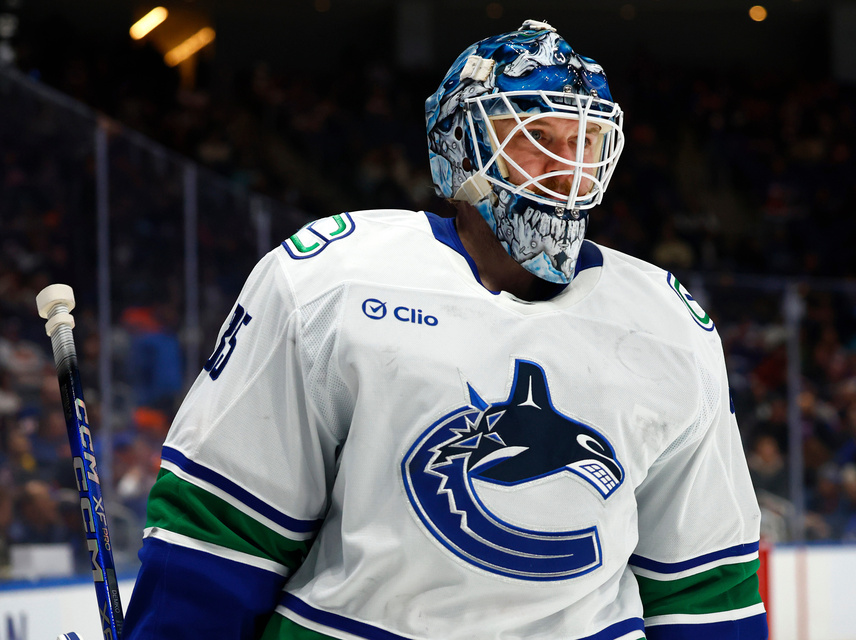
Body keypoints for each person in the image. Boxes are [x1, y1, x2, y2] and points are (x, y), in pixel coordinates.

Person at [123, 20, 766, 640]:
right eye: (537, 135)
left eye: (585, 142)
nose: (566, 166)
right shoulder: (333, 280)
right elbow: (226, 528)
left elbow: (704, 585)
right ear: (459, 149)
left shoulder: (669, 324)